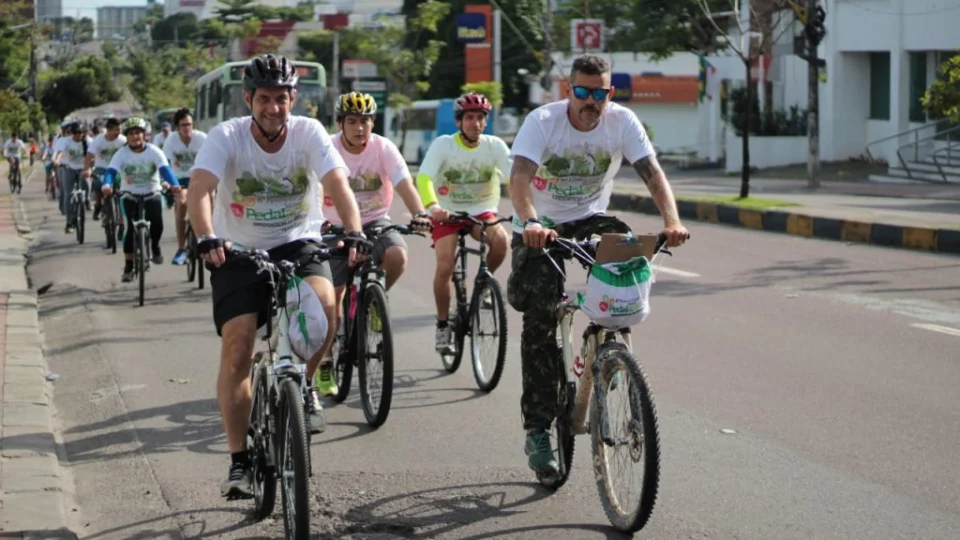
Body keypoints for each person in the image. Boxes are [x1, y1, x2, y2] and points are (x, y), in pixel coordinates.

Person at [186, 53, 369, 499]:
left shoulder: (308, 133)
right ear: (248, 99)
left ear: (294, 100)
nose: (273, 108)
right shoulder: (226, 137)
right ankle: (239, 462)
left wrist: (356, 231)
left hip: (298, 241)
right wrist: (207, 236)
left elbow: (337, 185)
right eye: (264, 98)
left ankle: (303, 386)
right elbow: (200, 192)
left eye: (282, 99)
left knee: (325, 308)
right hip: (238, 248)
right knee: (238, 349)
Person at [506, 54, 691, 476]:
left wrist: (672, 221)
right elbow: (518, 179)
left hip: (591, 218)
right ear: (569, 90)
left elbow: (652, 172)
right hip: (541, 225)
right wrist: (531, 222)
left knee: (627, 255)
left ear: (610, 93)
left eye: (601, 93)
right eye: (583, 92)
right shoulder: (543, 122)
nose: (592, 101)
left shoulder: (622, 121)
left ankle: (609, 356)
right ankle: (538, 429)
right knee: (538, 321)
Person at [314, 91, 432, 398]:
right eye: (352, 121)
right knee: (332, 302)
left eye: (365, 121)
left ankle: (371, 303)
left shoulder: (383, 147)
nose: (359, 128)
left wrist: (420, 213)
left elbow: (404, 182)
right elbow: (310, 188)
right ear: (340, 123)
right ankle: (325, 362)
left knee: (397, 256)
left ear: (373, 122)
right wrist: (316, 221)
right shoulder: (326, 147)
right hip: (334, 225)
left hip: (375, 220)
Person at [415, 92, 512, 354]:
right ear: (459, 121)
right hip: (447, 213)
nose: (475, 123)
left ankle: (483, 287)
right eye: (469, 118)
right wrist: (432, 207)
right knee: (445, 265)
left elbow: (515, 177)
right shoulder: (443, 145)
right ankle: (443, 324)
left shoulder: (495, 146)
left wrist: (526, 211)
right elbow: (424, 177)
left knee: (501, 242)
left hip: (481, 212)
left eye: (480, 118)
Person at [100, 117, 179, 282]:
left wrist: (174, 184)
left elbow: (165, 170)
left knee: (157, 223)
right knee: (129, 229)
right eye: (131, 134)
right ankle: (128, 266)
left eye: (138, 133)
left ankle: (155, 246)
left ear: (145, 135)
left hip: (152, 193)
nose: (135, 137)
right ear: (126, 137)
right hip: (129, 195)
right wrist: (107, 184)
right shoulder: (121, 153)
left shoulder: (155, 151)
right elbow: (111, 172)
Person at [163, 108, 208, 265]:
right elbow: (166, 164)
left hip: (199, 178)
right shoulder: (171, 141)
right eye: (183, 125)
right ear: (177, 127)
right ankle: (181, 248)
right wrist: (167, 182)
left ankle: (210, 240)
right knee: (181, 202)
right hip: (179, 180)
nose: (187, 128)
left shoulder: (202, 138)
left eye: (189, 124)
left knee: (212, 201)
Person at [53, 120, 92, 232]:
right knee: (68, 194)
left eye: (80, 133)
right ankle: (69, 222)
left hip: (83, 168)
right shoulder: (66, 141)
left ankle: (87, 201)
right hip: (68, 168)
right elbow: (60, 153)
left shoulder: (88, 142)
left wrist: (90, 167)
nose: (78, 135)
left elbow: (93, 154)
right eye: (75, 133)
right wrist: (57, 160)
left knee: (87, 185)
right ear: (72, 132)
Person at [86, 118, 127, 222]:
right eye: (116, 130)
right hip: (101, 169)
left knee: (121, 195)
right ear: (108, 130)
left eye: (120, 130)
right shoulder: (98, 140)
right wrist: (87, 169)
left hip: (118, 170)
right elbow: (89, 155)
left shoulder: (123, 140)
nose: (118, 132)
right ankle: (98, 205)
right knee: (98, 185)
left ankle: (122, 223)